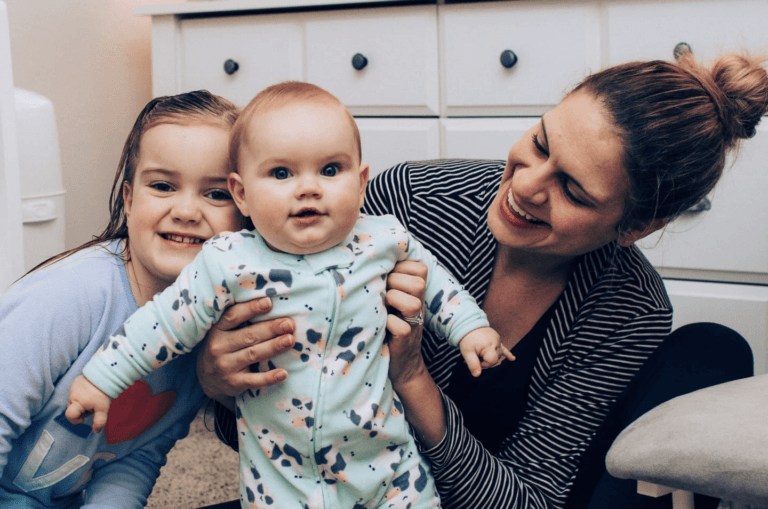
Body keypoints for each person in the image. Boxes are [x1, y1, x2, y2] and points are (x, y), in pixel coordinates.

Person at [200, 52, 768, 509]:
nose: (525, 185)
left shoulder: (628, 308)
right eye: (540, 143)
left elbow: (531, 498)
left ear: (638, 226)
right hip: (340, 489)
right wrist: (218, 380)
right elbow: (275, 429)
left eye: (572, 190)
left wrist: (413, 378)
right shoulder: (409, 205)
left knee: (714, 349)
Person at [66, 82, 510, 508]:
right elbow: (162, 323)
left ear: (361, 182)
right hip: (282, 477)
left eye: (330, 170)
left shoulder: (382, 239)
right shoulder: (229, 260)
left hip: (386, 467)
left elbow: (438, 283)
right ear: (241, 193)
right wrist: (102, 378)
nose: (309, 187)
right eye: (281, 172)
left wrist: (471, 330)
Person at [0, 90, 268, 509]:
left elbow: (136, 455)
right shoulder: (73, 295)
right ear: (128, 200)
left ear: (245, 212)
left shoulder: (206, 332)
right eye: (163, 186)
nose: (186, 210)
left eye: (215, 194)